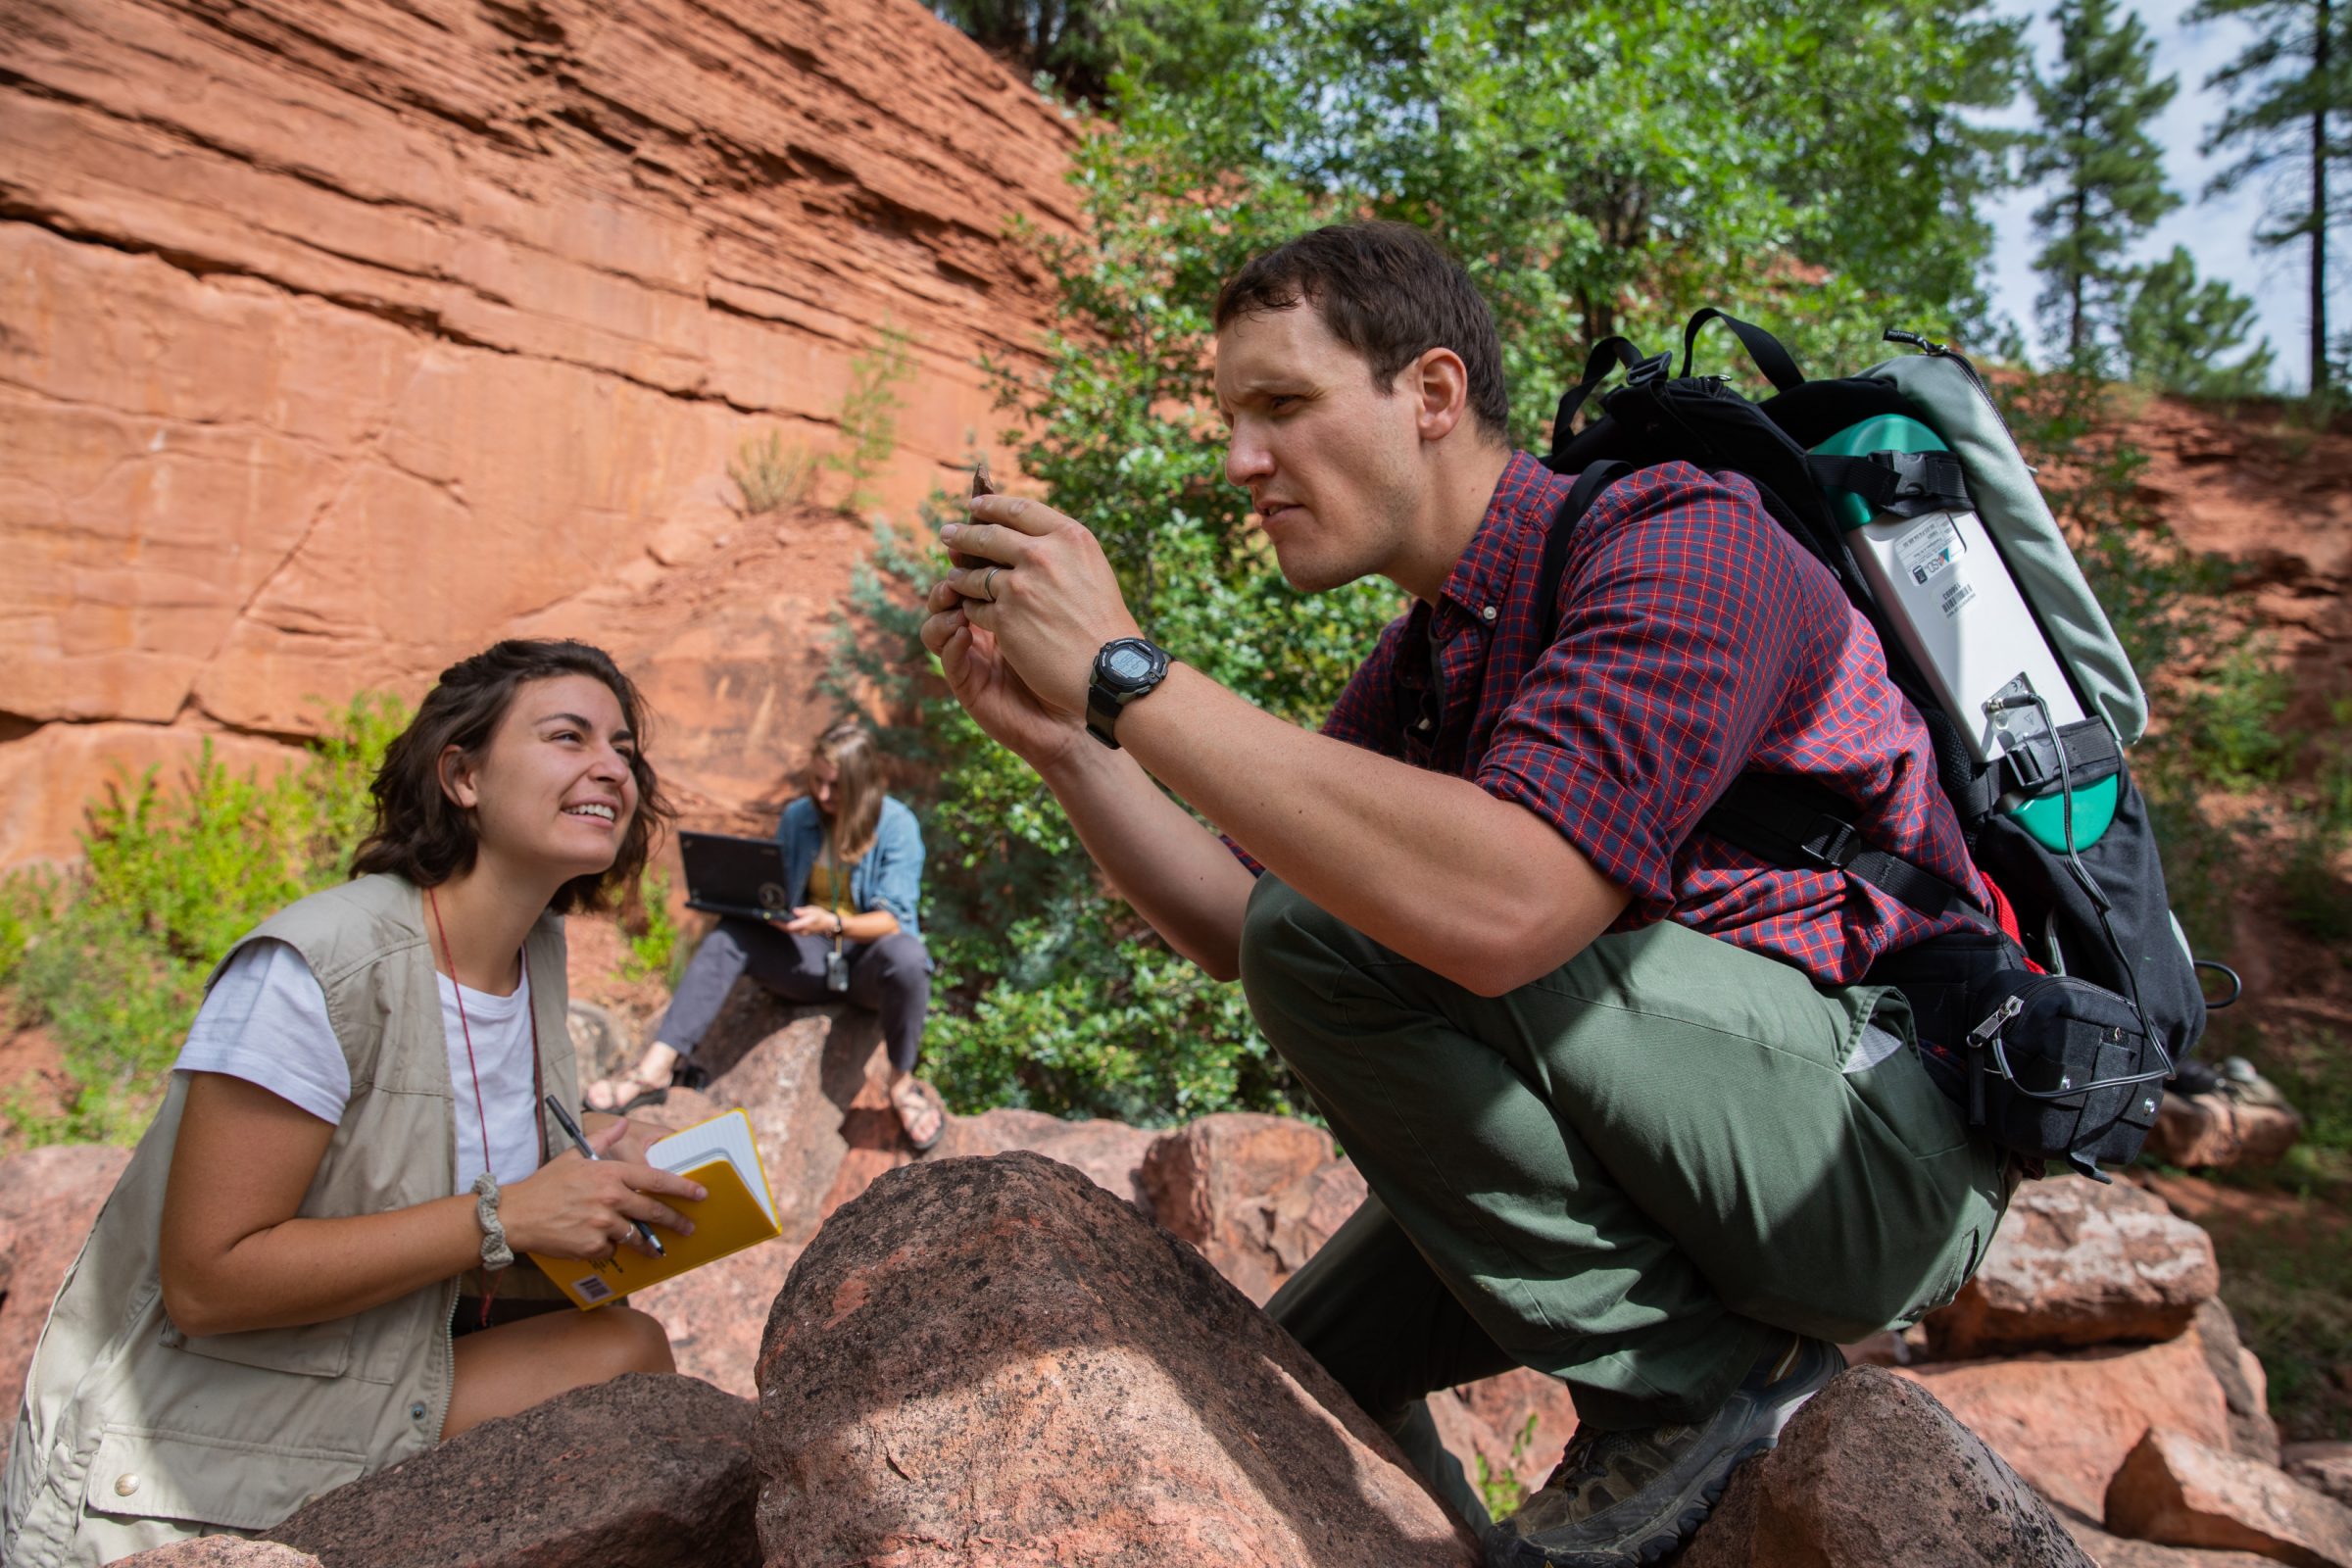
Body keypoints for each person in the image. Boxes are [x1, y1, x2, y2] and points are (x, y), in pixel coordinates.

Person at [917, 221, 2010, 1566]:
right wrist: (1078, 750)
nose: (1240, 462)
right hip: (1682, 1143)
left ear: (1431, 395)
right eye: (1228, 419)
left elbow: (1504, 913)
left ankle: (1695, 1386)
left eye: (1281, 406)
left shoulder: (1685, 540)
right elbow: (1237, 928)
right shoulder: (1434, 653)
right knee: (1295, 1389)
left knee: (1362, 918)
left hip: (1874, 1158)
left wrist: (1127, 671)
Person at [4, 639, 710, 1567]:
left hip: (380, 1365)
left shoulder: (532, 961)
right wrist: (508, 1214)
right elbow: (208, 1281)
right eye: (567, 736)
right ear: (461, 774)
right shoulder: (319, 966)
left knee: (625, 1356)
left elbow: (454, 1210)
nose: (611, 768)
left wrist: (589, 1186)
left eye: (623, 747)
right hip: (201, 1440)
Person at [585, 719, 941, 1150]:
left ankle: (901, 1083)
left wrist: (833, 923)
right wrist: (763, 910)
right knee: (730, 934)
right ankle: (656, 1067)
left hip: (867, 966)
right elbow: (778, 890)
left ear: (863, 784)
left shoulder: (897, 826)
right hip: (807, 961)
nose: (824, 795)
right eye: (818, 782)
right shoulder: (799, 818)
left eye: (836, 786)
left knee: (909, 958)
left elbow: (892, 921)